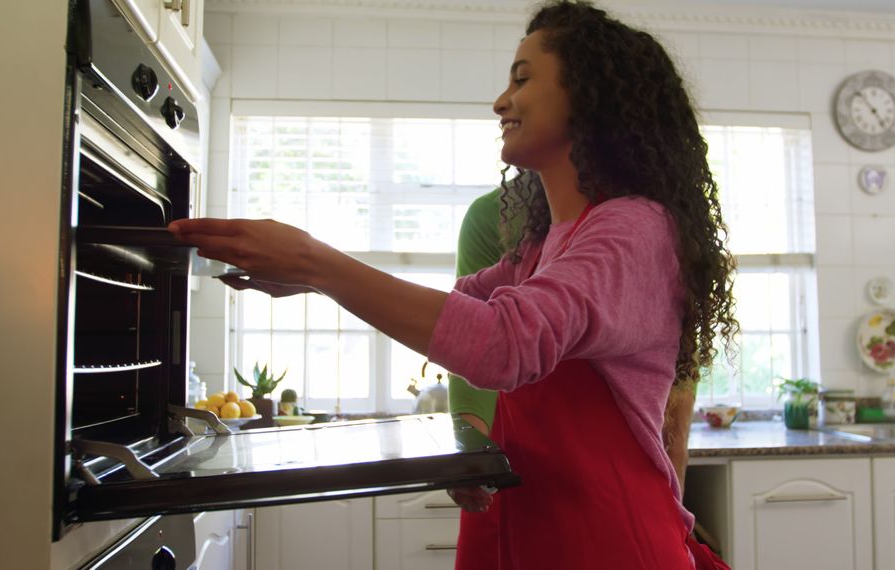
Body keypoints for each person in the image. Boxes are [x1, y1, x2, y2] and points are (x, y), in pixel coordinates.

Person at [169, 1, 736, 567]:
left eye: (522, 78)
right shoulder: (545, 246)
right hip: (533, 525)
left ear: (587, 94)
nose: (500, 101)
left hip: (610, 542)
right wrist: (317, 278)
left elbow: (504, 343)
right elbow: (464, 309)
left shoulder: (635, 228)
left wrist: (317, 264)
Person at [447, 183, 701, 568]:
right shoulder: (506, 225)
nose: (500, 117)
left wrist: (673, 503)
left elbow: (495, 337)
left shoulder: (637, 225)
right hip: (514, 479)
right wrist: (468, 449)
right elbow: (465, 321)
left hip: (608, 505)